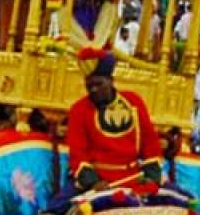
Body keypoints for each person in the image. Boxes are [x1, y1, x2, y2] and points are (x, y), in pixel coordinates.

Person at [63, 52, 163, 193]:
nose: (93, 90)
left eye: (99, 84)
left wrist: (151, 178)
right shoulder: (79, 110)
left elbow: (150, 143)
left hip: (134, 178)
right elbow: (78, 154)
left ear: (111, 81)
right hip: (98, 181)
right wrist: (94, 182)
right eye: (89, 86)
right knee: (58, 210)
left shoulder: (134, 102)